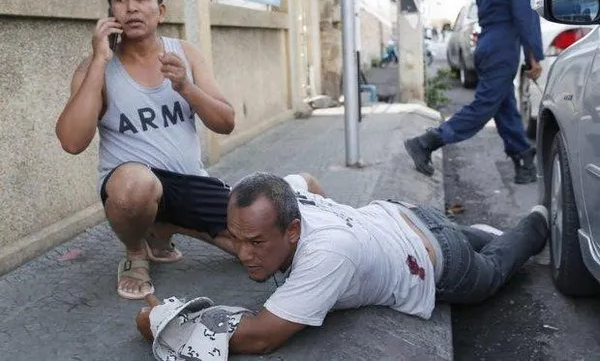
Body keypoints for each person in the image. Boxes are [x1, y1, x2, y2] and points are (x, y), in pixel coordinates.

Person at [135, 172, 548, 355]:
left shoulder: (327, 254)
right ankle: (474, 232)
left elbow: (260, 337)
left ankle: (538, 225)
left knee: (491, 273)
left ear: (292, 230)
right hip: (403, 216)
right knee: (462, 234)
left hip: (440, 262)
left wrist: (163, 321)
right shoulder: (283, 196)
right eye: (236, 238)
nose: (243, 254)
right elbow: (309, 180)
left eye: (257, 242)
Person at [55, 0, 236, 300]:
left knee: (256, 248)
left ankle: (167, 226)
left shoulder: (185, 54)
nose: (132, 7)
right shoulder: (96, 68)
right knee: (135, 185)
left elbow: (226, 122)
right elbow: (71, 141)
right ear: (110, 11)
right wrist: (98, 61)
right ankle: (136, 252)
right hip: (133, 190)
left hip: (191, 185)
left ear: (160, 10)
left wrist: (186, 87)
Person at [405, 0, 544, 184]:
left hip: (485, 43)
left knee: (504, 104)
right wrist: (533, 54)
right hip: (503, 45)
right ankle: (426, 142)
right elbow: (525, 14)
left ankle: (523, 157)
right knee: (484, 106)